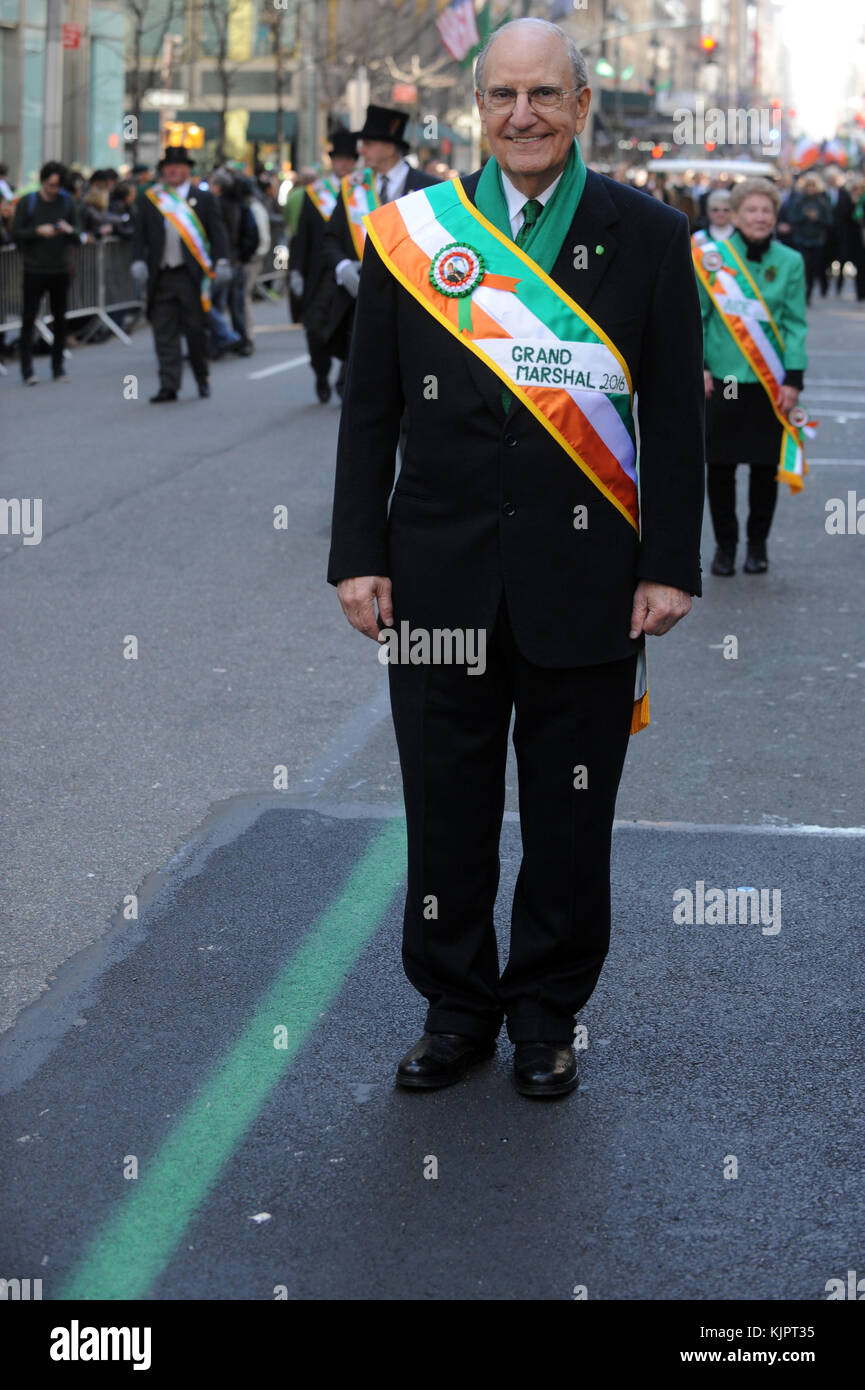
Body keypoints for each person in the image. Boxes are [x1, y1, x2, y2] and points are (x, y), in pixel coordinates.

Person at [327, 17, 704, 1098]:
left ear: (581, 105)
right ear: (476, 109)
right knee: (443, 805)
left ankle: (544, 1010)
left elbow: (673, 418)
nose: (523, 116)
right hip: (437, 574)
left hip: (587, 581)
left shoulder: (647, 233)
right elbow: (369, 412)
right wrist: (360, 552)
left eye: (544, 95)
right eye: (502, 97)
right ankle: (455, 1005)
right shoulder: (410, 234)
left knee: (568, 810)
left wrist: (668, 562)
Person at [696, 177, 808, 577]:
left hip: (770, 382)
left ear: (776, 216)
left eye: (767, 211)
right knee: (720, 467)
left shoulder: (791, 261)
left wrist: (794, 378)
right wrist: (701, 367)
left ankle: (757, 547)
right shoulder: (713, 260)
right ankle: (726, 547)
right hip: (722, 381)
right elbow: (699, 319)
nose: (760, 217)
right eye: (752, 210)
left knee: (764, 469)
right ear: (736, 216)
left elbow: (795, 324)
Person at [322, 105, 439, 393]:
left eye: (369, 144)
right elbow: (331, 238)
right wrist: (343, 266)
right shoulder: (353, 187)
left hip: (413, 305)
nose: (361, 151)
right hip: (361, 302)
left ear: (390, 147)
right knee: (364, 391)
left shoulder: (430, 188)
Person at [130, 146, 231, 403]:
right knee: (163, 332)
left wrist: (221, 262)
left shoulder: (204, 199)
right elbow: (139, 234)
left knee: (195, 330)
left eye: (179, 166)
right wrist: (137, 260)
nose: (173, 171)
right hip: (162, 275)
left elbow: (217, 233)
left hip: (191, 276)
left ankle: (201, 377)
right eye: (169, 167)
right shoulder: (151, 199)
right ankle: (169, 384)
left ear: (188, 169)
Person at [289, 127, 359, 402]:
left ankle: (345, 378)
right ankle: (320, 372)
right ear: (332, 161)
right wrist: (295, 270)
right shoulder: (314, 193)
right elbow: (301, 235)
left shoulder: (362, 192)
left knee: (353, 330)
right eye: (339, 159)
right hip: (319, 274)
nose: (343, 164)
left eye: (348, 159)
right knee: (315, 330)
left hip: (352, 272)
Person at [11, 160, 80, 384]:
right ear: (43, 182)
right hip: (34, 269)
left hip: (60, 269)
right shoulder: (28, 203)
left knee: (60, 319)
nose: (54, 190)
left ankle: (58, 367)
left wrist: (69, 230)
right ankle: (27, 370)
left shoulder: (67, 202)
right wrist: (37, 231)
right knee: (29, 318)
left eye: (58, 186)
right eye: (51, 185)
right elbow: (15, 232)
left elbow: (79, 232)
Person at [787, 171, 832, 302]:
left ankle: (810, 291)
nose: (811, 189)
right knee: (803, 267)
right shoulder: (799, 201)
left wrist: (816, 218)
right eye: (808, 186)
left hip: (817, 239)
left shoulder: (822, 201)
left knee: (813, 268)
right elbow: (792, 218)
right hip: (801, 239)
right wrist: (805, 216)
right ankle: (802, 292)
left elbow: (828, 221)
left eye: (813, 186)